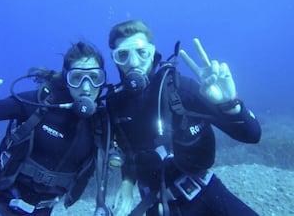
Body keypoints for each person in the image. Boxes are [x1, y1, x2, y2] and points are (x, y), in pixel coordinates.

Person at [105, 20, 261, 216]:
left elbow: (252, 134)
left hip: (208, 195)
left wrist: (229, 104)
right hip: (158, 207)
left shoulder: (181, 89)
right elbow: (127, 151)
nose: (133, 62)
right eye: (122, 55)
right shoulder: (115, 105)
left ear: (152, 52)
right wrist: (127, 184)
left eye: (141, 52)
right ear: (115, 59)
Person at [0, 41, 112, 216]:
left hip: (39, 211)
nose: (86, 87)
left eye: (94, 78)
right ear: (66, 79)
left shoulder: (102, 123)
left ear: (102, 80)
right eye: (76, 78)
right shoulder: (37, 103)